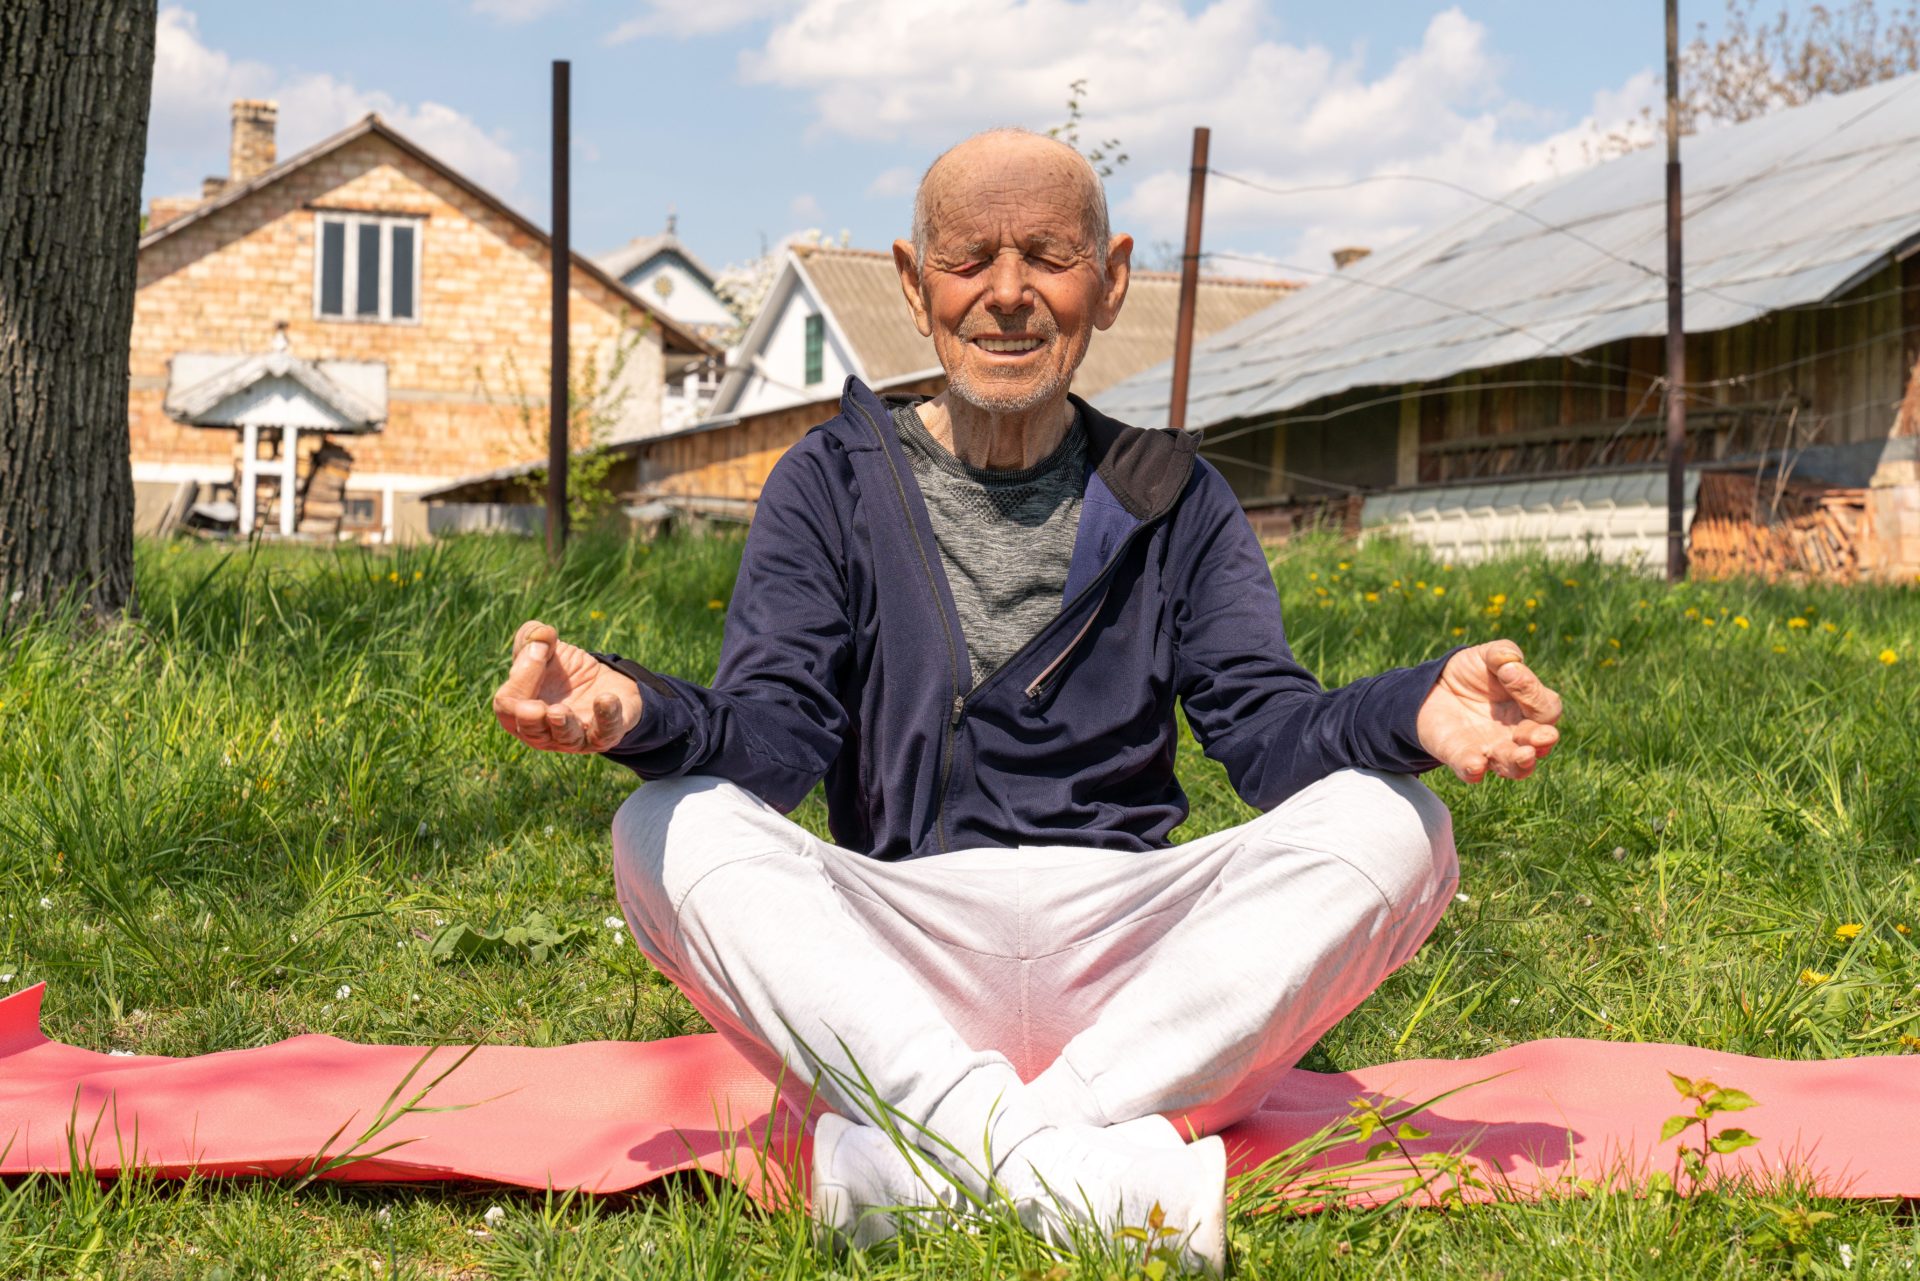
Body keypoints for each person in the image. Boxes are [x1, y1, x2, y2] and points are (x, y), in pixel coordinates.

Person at [491, 128, 1563, 1273]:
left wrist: (1413, 714)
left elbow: (1267, 735)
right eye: (969, 260)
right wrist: (635, 712)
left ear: (1110, 282)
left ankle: (927, 1167)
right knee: (664, 826)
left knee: (1404, 825)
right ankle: (1078, 1176)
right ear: (914, 283)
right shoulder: (833, 480)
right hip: (899, 961)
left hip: (1142, 969)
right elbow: (767, 746)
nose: (1007, 296)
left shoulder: (1174, 496)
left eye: (1049, 256)